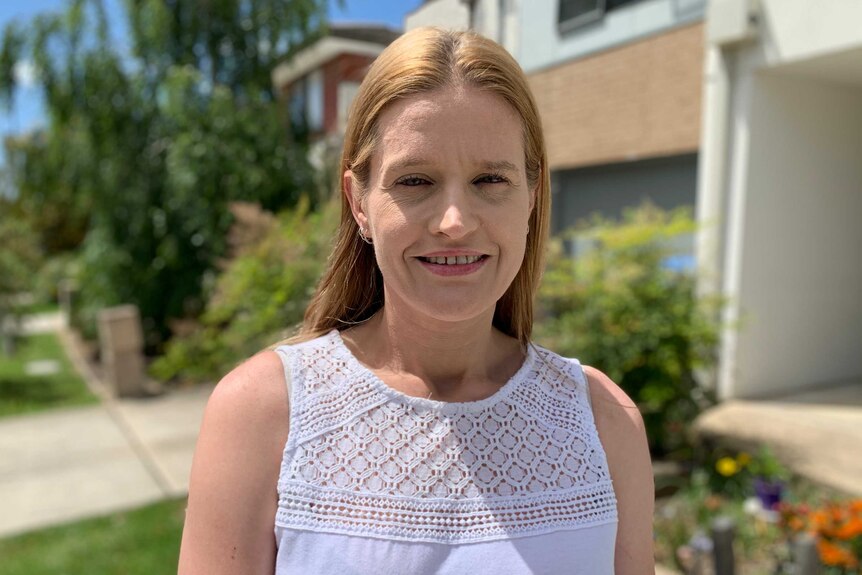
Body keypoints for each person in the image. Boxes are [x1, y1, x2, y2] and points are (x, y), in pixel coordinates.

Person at [178, 27, 654, 575]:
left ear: (531, 197)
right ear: (359, 203)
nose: (454, 221)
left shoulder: (601, 421)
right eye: (415, 181)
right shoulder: (263, 413)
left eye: (490, 179)